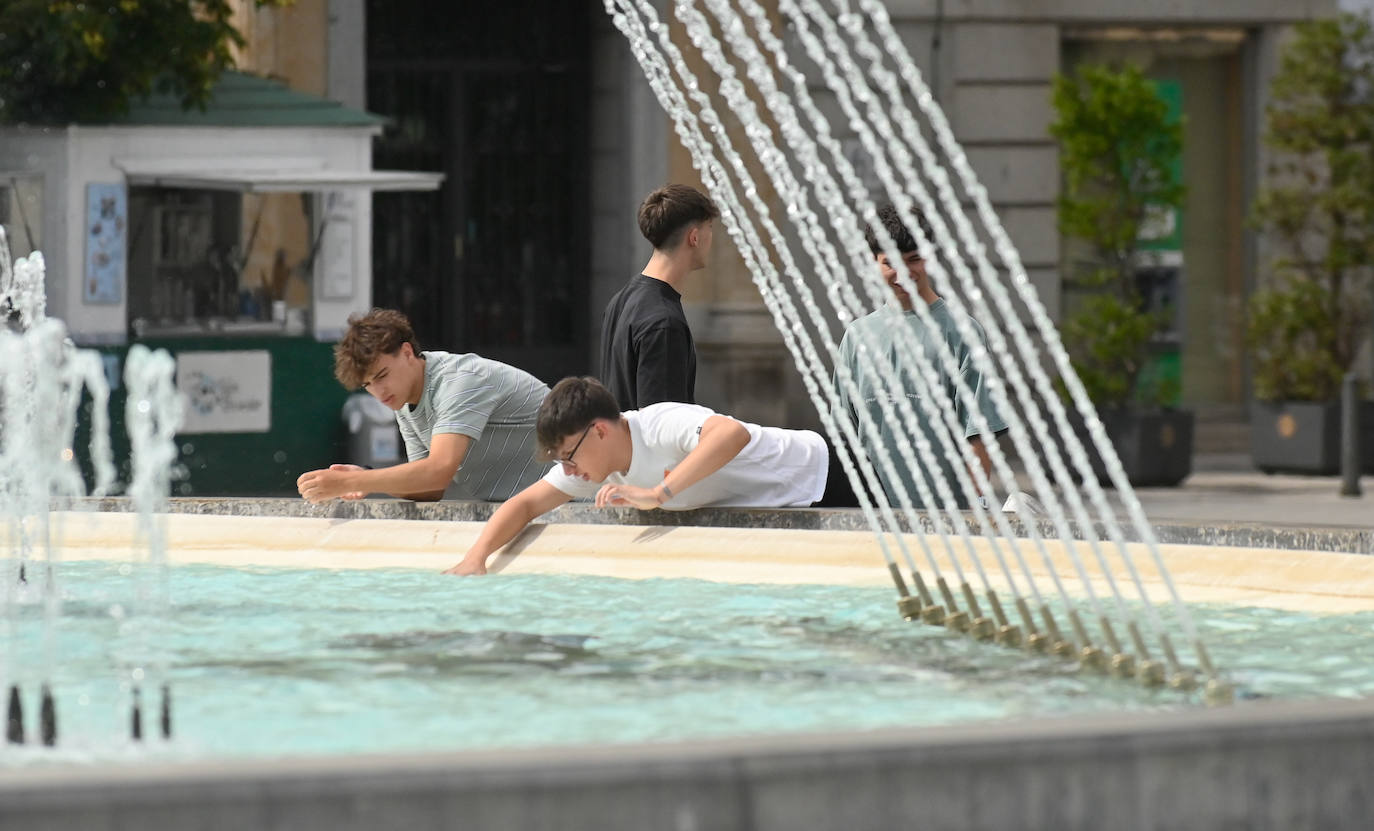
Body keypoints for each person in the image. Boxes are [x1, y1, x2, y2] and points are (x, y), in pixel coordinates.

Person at [444, 376, 828, 575]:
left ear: (599, 431)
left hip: (826, 473)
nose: (569, 471)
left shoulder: (658, 422)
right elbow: (526, 504)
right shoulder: (593, 465)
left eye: (569, 457)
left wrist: (659, 492)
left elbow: (731, 433)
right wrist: (476, 558)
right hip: (785, 508)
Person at [833, 204, 1006, 509]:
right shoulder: (857, 337)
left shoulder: (962, 333)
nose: (903, 274)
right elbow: (843, 435)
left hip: (944, 515)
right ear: (873, 262)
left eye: (914, 260)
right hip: (870, 517)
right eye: (890, 263)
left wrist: (977, 509)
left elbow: (978, 436)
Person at [297, 309, 548, 503]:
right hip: (533, 505)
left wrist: (353, 481)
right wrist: (366, 479)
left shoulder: (461, 380)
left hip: (577, 498)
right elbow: (429, 489)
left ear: (407, 352)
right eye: (368, 384)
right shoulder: (404, 399)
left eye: (382, 375)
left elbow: (438, 471)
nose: (378, 391)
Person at [599, 184, 719, 410]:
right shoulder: (663, 322)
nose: (711, 237)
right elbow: (663, 427)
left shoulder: (621, 300)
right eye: (709, 227)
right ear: (694, 237)